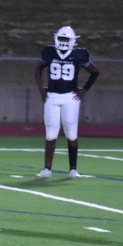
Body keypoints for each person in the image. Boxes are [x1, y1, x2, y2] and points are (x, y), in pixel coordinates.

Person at [34, 26, 100, 179]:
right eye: (61, 38)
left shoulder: (79, 54)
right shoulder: (49, 52)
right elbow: (38, 69)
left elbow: (95, 72)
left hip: (70, 97)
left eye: (66, 39)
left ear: (73, 41)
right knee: (50, 134)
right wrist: (41, 90)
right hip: (51, 97)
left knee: (71, 133)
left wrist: (84, 90)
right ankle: (47, 169)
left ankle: (73, 169)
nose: (63, 42)